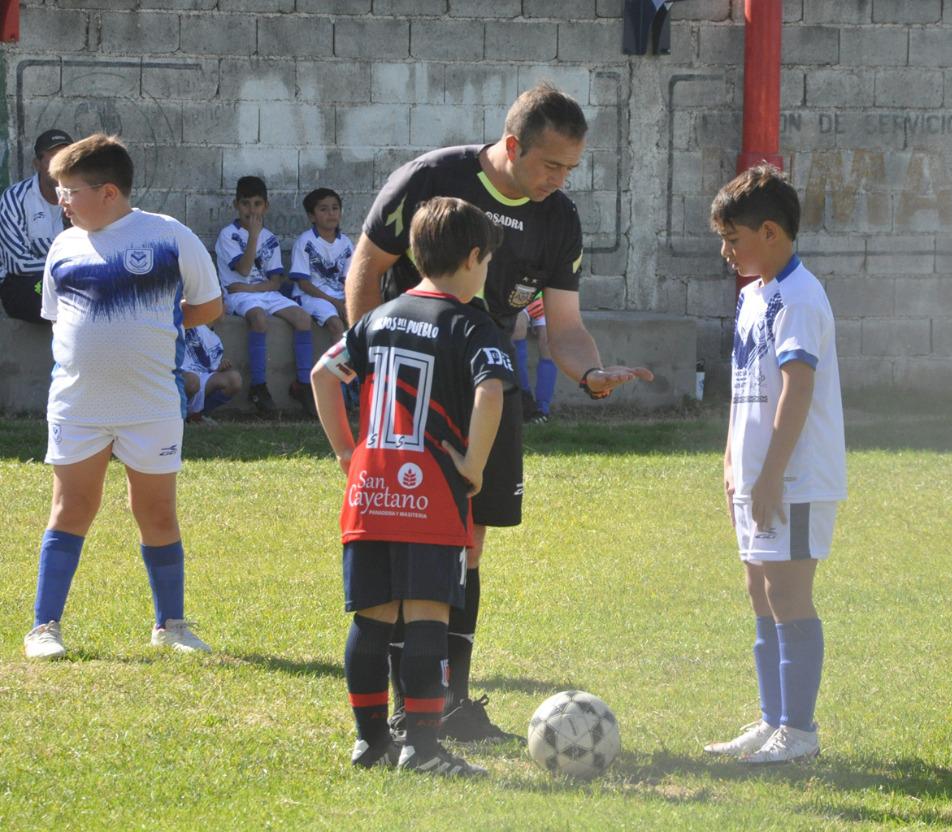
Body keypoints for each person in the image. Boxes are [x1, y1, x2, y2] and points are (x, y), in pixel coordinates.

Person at [346, 82, 653, 741]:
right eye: (550, 165)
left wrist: (590, 372)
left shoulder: (558, 218)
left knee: (468, 542)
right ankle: (406, 710)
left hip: (489, 382)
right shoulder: (431, 180)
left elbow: (563, 327)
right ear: (513, 146)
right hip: (416, 389)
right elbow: (367, 269)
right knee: (409, 545)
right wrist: (378, 377)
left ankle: (451, 704)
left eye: (571, 168)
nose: (559, 179)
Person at [312, 196, 512, 775]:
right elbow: (491, 390)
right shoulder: (471, 323)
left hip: (371, 491)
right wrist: (474, 464)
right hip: (429, 493)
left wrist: (346, 451)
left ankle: (369, 741)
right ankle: (423, 750)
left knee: (371, 617)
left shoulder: (378, 317)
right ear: (473, 257)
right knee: (428, 617)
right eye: (487, 262)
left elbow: (323, 374)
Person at [23, 133, 223, 660]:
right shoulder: (64, 246)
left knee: (156, 512)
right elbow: (59, 320)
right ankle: (44, 627)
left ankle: (171, 626)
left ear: (108, 192)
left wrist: (158, 323)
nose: (61, 201)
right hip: (78, 406)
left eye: (69, 191)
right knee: (70, 508)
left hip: (151, 404)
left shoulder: (169, 236)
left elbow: (208, 306)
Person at [701, 165, 846, 764]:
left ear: (770, 232)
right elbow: (747, 390)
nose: (726, 252)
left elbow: (797, 390)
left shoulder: (800, 297)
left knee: (788, 593)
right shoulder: (752, 296)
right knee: (760, 591)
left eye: (733, 239)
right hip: (756, 476)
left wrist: (770, 476)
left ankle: (800, 731)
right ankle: (771, 720)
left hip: (793, 478)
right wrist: (732, 460)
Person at [215, 176, 315, 416]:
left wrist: (252, 288)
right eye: (246, 204)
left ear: (266, 206)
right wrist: (252, 236)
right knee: (258, 319)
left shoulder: (269, 238)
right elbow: (243, 269)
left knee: (303, 319)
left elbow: (275, 281)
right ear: (236, 205)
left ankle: (302, 385)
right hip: (237, 296)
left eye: (257, 204)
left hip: (256, 291)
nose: (252, 210)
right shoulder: (228, 235)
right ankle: (258, 386)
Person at [0, 128, 73, 323]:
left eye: (67, 159)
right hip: (23, 283)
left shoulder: (82, 197)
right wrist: (67, 266)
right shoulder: (15, 198)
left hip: (70, 277)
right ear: (37, 164)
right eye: (54, 159)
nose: (61, 166)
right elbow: (18, 263)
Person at [287, 186, 349, 341]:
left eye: (335, 208)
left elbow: (349, 280)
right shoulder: (305, 242)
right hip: (310, 296)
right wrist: (334, 302)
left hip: (338, 296)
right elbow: (304, 284)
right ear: (312, 217)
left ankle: (359, 357)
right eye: (323, 209)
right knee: (336, 325)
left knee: (361, 319)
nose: (331, 213)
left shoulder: (346, 243)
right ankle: (337, 358)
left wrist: (348, 300)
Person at [181, 324, 242, 425]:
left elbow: (208, 367)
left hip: (201, 376)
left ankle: (196, 416)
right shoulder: (175, 325)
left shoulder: (211, 336)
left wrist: (219, 369)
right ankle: (178, 418)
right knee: (192, 381)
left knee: (234, 379)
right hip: (178, 377)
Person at [512, 291, 556, 424]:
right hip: (518, 296)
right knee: (517, 327)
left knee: (550, 341)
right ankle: (525, 399)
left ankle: (543, 407)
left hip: (548, 296)